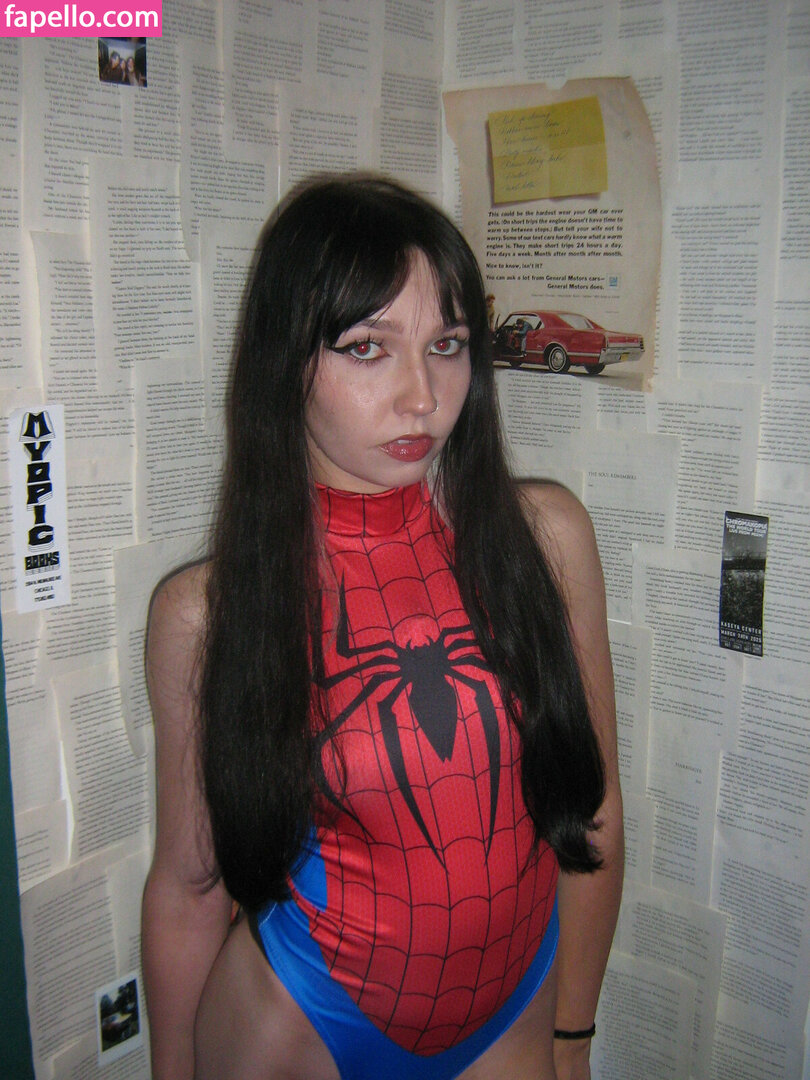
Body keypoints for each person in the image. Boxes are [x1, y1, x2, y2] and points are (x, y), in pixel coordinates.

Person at [141, 174, 623, 1080]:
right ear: (286, 361)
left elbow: (592, 813)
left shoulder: (547, 542)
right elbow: (190, 885)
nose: (422, 396)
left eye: (447, 344)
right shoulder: (207, 612)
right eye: (368, 347)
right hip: (299, 1019)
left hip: (514, 1015)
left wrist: (574, 1038)